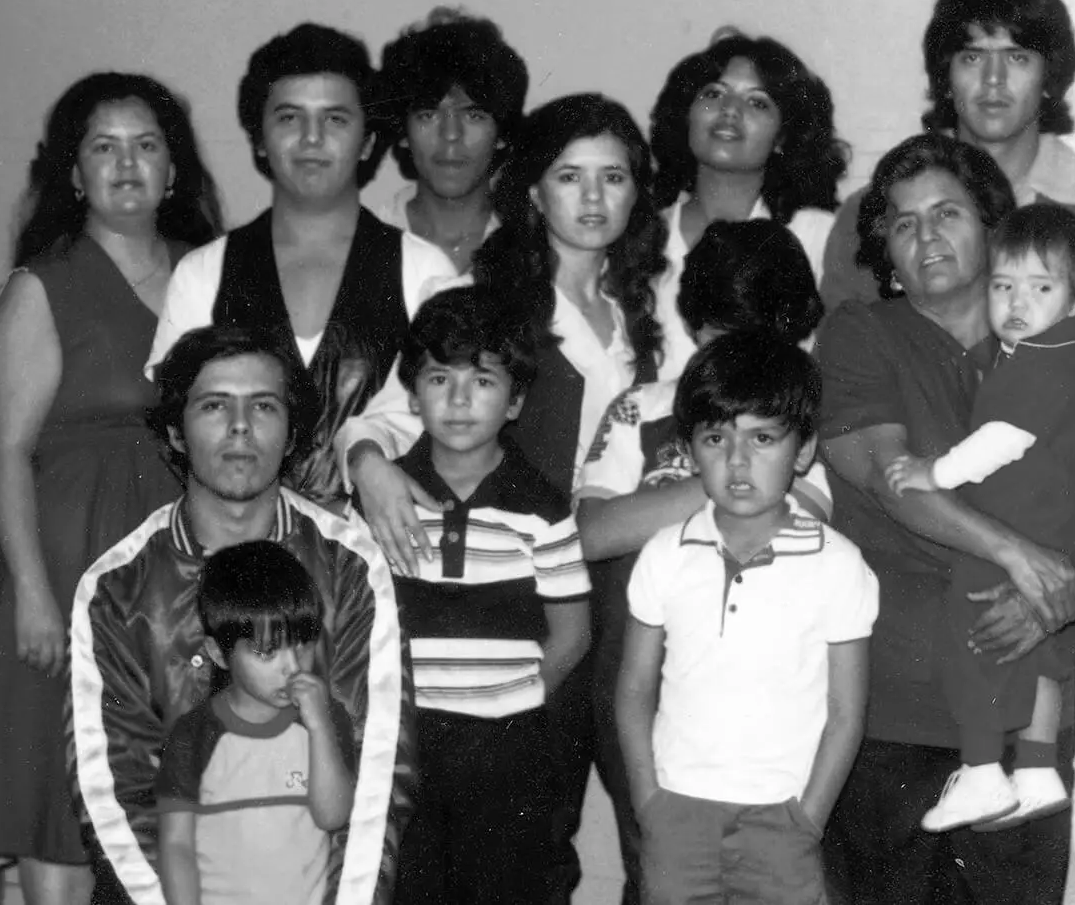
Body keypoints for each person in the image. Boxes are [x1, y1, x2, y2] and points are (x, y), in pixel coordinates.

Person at [340, 92, 668, 900]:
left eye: (614, 177)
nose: (593, 199)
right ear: (531, 191)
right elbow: (381, 417)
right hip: (517, 603)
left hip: (629, 597)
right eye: (569, 176)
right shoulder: (487, 293)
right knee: (521, 838)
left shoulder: (644, 309)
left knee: (650, 825)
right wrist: (371, 465)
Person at [0, 71, 221, 905]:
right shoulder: (42, 285)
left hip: (178, 577)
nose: (126, 163)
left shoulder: (208, 275)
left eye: (146, 145)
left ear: (174, 169)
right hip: (64, 576)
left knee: (173, 805)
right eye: (102, 147)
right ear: (73, 173)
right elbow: (3, 452)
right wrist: (33, 594)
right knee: (58, 810)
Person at [814, 132, 1075, 904]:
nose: (926, 236)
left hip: (1025, 717)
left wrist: (1070, 590)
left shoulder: (1058, 352)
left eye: (947, 213)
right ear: (887, 253)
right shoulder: (860, 335)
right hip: (894, 713)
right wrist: (1021, 558)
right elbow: (888, 478)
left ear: (993, 225)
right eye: (903, 224)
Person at [68, 325, 413, 905]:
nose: (240, 428)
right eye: (213, 406)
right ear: (176, 432)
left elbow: (377, 770)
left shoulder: (350, 569)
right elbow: (114, 790)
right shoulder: (117, 588)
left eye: (263, 406)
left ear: (291, 430)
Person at [575, 219, 830, 901]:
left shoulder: (806, 420)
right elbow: (593, 532)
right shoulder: (644, 408)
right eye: (723, 338)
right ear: (695, 325)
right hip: (641, 685)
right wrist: (732, 477)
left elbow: (809, 511)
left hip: (767, 704)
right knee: (655, 872)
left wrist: (709, 473)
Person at [615, 331, 879, 905]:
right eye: (716, 438)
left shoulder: (837, 565)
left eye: (763, 438)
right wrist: (649, 803)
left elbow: (845, 713)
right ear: (688, 450)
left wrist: (807, 820)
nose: (738, 461)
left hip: (782, 818)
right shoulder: (665, 554)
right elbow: (633, 690)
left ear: (803, 450)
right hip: (677, 811)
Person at [147, 21, 457, 503]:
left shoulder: (422, 271)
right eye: (289, 118)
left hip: (385, 559)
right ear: (258, 138)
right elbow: (176, 432)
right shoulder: (204, 273)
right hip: (239, 561)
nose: (312, 138)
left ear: (369, 140)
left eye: (335, 119)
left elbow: (452, 424)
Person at [886, 203, 1075, 832]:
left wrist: (931, 472)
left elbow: (1000, 440)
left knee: (976, 644)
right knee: (1045, 653)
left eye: (1039, 288)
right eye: (1002, 285)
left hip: (1017, 524)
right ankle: (1038, 771)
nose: (1017, 302)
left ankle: (984, 773)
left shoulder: (1039, 365)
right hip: (1065, 533)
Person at [383, 285, 591, 904]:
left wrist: (510, 703)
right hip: (407, 750)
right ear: (414, 394)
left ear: (516, 400)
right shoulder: (386, 503)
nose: (458, 400)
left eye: (482, 381)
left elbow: (573, 633)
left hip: (508, 754)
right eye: (438, 379)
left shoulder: (541, 508)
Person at [822, 0, 1075, 311]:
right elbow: (838, 352)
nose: (993, 79)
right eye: (972, 57)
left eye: (1016, 57)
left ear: (1049, 77)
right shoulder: (876, 210)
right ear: (946, 76)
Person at [157, 541, 357, 905]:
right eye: (267, 652)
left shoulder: (326, 720)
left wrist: (319, 728)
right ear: (218, 653)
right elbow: (176, 845)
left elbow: (332, 817)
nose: (292, 667)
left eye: (303, 645)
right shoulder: (194, 735)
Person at [648, 31, 848, 377]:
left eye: (757, 102)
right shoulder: (644, 237)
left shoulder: (818, 235)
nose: (729, 110)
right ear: (686, 116)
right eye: (714, 94)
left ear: (784, 136)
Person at [372, 6, 528, 274]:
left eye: (474, 115)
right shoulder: (366, 246)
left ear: (502, 133)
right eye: (429, 114)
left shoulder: (535, 248)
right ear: (403, 132)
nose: (451, 134)